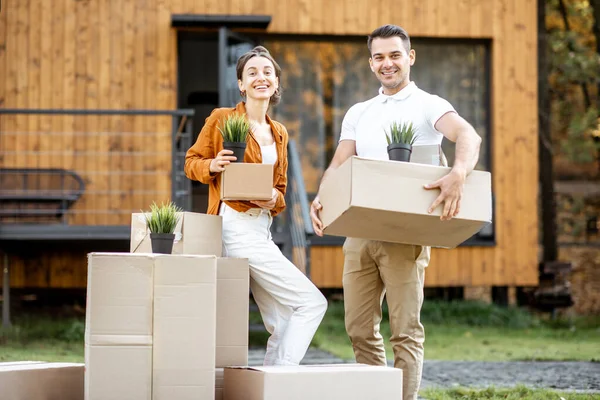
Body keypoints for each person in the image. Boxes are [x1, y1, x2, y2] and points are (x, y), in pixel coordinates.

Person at [310, 25, 482, 399]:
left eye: (394, 55)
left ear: (410, 57)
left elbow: (468, 136)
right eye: (379, 57)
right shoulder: (360, 112)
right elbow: (339, 163)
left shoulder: (429, 105)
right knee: (358, 328)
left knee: (405, 330)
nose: (387, 63)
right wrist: (322, 196)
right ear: (371, 63)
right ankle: (377, 395)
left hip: (406, 233)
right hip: (360, 233)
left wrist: (458, 173)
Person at [184, 45, 327, 366]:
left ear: (276, 83)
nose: (260, 77)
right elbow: (191, 162)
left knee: (280, 321)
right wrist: (213, 165)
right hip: (234, 225)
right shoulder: (222, 119)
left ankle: (269, 387)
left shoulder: (279, 133)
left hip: (261, 227)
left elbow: (280, 191)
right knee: (311, 303)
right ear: (241, 84)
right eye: (252, 73)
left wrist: (273, 199)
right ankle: (283, 376)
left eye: (267, 72)